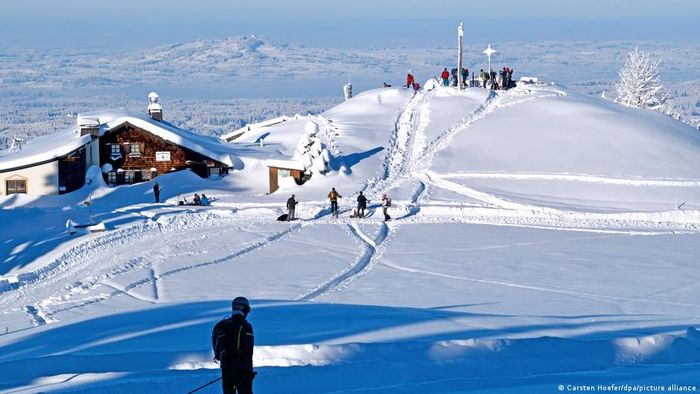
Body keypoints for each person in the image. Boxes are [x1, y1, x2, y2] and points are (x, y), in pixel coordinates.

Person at [212, 297, 255, 394]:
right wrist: (249, 371)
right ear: (245, 309)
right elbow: (248, 350)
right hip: (243, 370)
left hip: (226, 369)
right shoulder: (246, 326)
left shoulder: (221, 325)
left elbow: (217, 349)